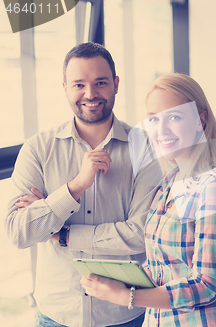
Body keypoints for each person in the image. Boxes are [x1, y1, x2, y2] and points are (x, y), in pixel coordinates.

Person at [80, 73, 216, 327]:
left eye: (174, 117)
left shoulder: (215, 187)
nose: (160, 130)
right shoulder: (170, 181)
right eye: (153, 119)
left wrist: (126, 296)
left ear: (200, 120)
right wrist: (118, 280)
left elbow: (206, 285)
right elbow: (164, 267)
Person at [5, 42, 160, 327]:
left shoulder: (146, 148)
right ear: (65, 87)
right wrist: (75, 186)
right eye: (79, 84)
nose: (90, 94)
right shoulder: (38, 149)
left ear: (115, 84)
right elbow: (20, 231)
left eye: (100, 82)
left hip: (124, 316)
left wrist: (61, 234)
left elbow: (140, 235)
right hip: (56, 315)